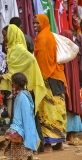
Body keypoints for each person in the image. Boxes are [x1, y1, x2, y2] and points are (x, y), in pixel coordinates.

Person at [0, 24, 46, 116]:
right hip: (14, 86)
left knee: (16, 114)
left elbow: (31, 60)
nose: (4, 38)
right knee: (15, 113)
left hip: (19, 87)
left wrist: (1, 76)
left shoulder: (18, 48)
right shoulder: (12, 48)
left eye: (5, 35)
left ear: (11, 34)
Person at [33, 14, 67, 152]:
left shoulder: (43, 38)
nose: (35, 25)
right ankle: (59, 143)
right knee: (58, 110)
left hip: (47, 79)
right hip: (58, 76)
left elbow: (43, 62)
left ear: (43, 23)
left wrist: (39, 78)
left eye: (37, 23)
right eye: (34, 23)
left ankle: (48, 143)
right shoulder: (49, 36)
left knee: (47, 111)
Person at [5, 72, 40, 160]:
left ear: (16, 83)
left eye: (13, 82)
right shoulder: (25, 94)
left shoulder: (21, 97)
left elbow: (23, 115)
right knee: (27, 152)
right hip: (24, 128)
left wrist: (18, 128)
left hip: (20, 128)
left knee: (19, 152)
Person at [60, 30, 82, 143]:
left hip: (65, 85)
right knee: (72, 105)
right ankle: (71, 136)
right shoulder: (74, 52)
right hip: (73, 84)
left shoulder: (62, 52)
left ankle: (66, 136)